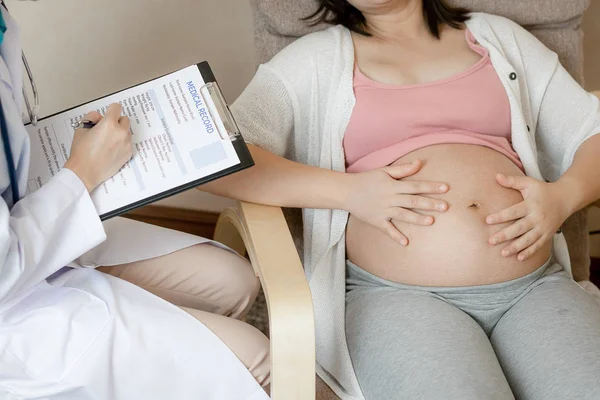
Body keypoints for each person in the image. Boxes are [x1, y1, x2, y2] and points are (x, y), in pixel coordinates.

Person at [201, 0, 600, 399]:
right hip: (398, 299)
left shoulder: (498, 38)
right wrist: (349, 191)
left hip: (535, 288)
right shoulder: (314, 59)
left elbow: (592, 132)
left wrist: (564, 196)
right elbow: (215, 160)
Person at [0, 3, 269, 400]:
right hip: (12, 304)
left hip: (33, 223)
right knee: (258, 362)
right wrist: (82, 173)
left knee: (236, 282)